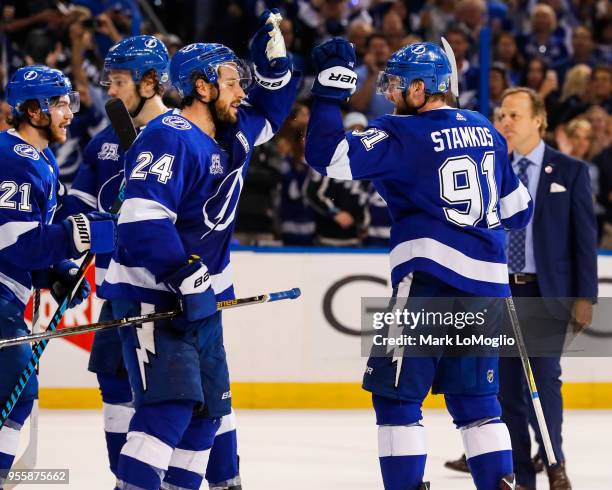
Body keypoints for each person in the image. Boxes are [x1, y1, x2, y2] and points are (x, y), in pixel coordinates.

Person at [304, 38, 533, 489]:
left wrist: (329, 92)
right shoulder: (485, 128)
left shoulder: (403, 133)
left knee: (396, 400)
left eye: (396, 85)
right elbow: (519, 210)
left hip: (430, 282)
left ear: (421, 88)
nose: (390, 94)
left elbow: (326, 155)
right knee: (478, 405)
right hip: (488, 290)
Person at [96, 10, 299, 490]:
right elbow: (143, 225)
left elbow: (274, 108)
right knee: (168, 411)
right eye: (231, 82)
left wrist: (277, 68)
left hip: (196, 300)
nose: (240, 91)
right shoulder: (170, 135)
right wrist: (189, 279)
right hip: (154, 298)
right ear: (202, 88)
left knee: (206, 414)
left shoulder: (230, 134)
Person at [55, 34, 244, 490]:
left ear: (150, 82)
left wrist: (191, 276)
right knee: (136, 393)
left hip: (181, 290)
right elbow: (79, 212)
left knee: (201, 403)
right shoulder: (108, 142)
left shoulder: (196, 134)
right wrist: (69, 254)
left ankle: (222, 478)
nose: (110, 92)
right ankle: (131, 479)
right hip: (134, 288)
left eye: (118, 81)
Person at [0, 65, 117, 484]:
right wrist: (76, 235)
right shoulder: (12, 160)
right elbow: (13, 243)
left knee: (15, 395)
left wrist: (54, 273)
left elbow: (26, 243)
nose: (70, 112)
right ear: (33, 111)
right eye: (60, 103)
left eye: (70, 102)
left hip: (7, 294)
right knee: (15, 393)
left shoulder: (39, 159)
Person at [496, 87, 597, 490]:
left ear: (539, 119)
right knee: (506, 388)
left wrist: (584, 296)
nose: (505, 122)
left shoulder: (569, 171)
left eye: (514, 115)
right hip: (498, 293)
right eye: (502, 115)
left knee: (544, 380)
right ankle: (522, 474)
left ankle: (555, 462)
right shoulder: (489, 168)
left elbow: (583, 239)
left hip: (544, 291)